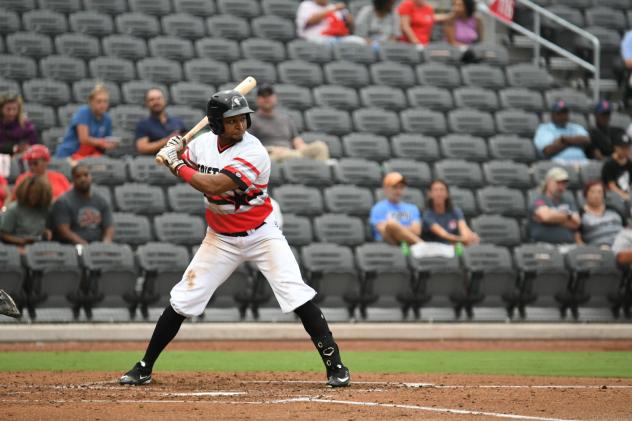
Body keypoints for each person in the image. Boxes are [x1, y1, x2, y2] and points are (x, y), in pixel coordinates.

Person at [119, 90, 350, 388]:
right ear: (216, 123)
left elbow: (213, 185)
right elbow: (184, 159)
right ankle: (145, 365)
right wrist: (174, 149)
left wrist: (175, 164)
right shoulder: (202, 144)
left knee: (297, 293)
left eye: (243, 118)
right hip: (220, 238)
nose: (240, 125)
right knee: (182, 299)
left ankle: (335, 366)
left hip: (262, 234)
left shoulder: (253, 151)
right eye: (232, 120)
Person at [248, 85, 329, 162]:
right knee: (284, 155)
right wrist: (270, 150)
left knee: (320, 147)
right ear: (257, 100)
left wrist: (303, 149)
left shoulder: (286, 118)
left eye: (269, 95)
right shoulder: (252, 120)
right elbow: (250, 146)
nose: (266, 98)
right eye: (263, 96)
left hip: (290, 152)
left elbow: (296, 141)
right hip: (269, 154)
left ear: (275, 98)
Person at [50, 164, 113, 245]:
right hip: (73, 247)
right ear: (73, 180)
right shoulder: (63, 201)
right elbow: (64, 231)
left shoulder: (102, 200)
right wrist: (85, 246)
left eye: (86, 175)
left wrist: (106, 243)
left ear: (91, 177)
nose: (83, 179)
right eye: (78, 176)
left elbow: (109, 227)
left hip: (98, 246)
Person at [55, 83, 118, 160]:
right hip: (70, 154)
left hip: (89, 157)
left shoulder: (107, 119)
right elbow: (84, 139)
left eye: (105, 101)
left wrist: (111, 144)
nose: (102, 105)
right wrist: (102, 142)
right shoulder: (83, 112)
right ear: (91, 102)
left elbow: (107, 139)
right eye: (99, 101)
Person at [528, 167, 580, 245]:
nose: (561, 187)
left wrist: (552, 218)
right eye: (558, 183)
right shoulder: (538, 198)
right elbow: (546, 216)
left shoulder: (568, 200)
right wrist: (568, 216)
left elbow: (576, 223)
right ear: (548, 182)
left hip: (567, 245)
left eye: (564, 183)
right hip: (543, 246)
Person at [0, 174, 52, 252]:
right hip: (16, 246)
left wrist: (46, 232)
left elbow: (38, 226)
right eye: (31, 193)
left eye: (37, 194)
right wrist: (21, 241)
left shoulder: (44, 209)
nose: (33, 196)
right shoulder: (13, 210)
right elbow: (3, 234)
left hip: (38, 245)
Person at [370, 172, 423, 246]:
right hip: (388, 245)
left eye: (401, 187)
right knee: (391, 224)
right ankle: (422, 245)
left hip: (410, 245)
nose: (398, 191)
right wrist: (403, 229)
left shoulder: (412, 208)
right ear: (386, 189)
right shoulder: (378, 208)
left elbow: (417, 231)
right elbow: (383, 230)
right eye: (394, 187)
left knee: (391, 224)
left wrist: (396, 229)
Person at [422, 179, 479, 245]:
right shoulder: (427, 215)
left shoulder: (455, 211)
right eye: (435, 190)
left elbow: (464, 230)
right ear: (430, 194)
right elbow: (444, 235)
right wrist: (463, 239)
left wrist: (470, 237)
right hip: (437, 248)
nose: (439, 193)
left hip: (455, 246)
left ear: (447, 194)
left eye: (442, 190)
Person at [533, 100, 590, 165]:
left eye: (565, 113)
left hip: (581, 162)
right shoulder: (544, 128)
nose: (563, 116)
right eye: (559, 113)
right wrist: (574, 141)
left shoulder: (576, 127)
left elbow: (586, 140)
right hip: (558, 163)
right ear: (552, 115)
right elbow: (548, 150)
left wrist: (563, 140)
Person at [135, 88, 186, 156]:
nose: (156, 102)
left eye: (159, 98)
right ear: (146, 103)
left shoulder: (177, 121)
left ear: (165, 100)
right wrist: (167, 141)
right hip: (156, 162)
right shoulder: (143, 124)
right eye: (151, 100)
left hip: (177, 160)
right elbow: (142, 148)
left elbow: (188, 140)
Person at [576, 181, 623, 248]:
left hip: (622, 241)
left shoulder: (614, 209)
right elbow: (578, 239)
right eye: (593, 192)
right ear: (586, 194)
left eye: (600, 192)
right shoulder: (580, 214)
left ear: (603, 195)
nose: (596, 195)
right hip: (599, 246)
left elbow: (626, 227)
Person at [295, 0, 365, 44]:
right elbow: (311, 21)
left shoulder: (333, 7)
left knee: (360, 41)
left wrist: (350, 22)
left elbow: (350, 30)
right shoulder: (306, 5)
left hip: (337, 38)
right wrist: (332, 9)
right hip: (315, 38)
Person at [602, 131, 632, 202]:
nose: (625, 151)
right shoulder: (609, 164)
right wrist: (622, 194)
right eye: (623, 148)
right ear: (616, 148)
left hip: (628, 192)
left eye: (627, 148)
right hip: (613, 195)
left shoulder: (629, 163)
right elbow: (611, 185)